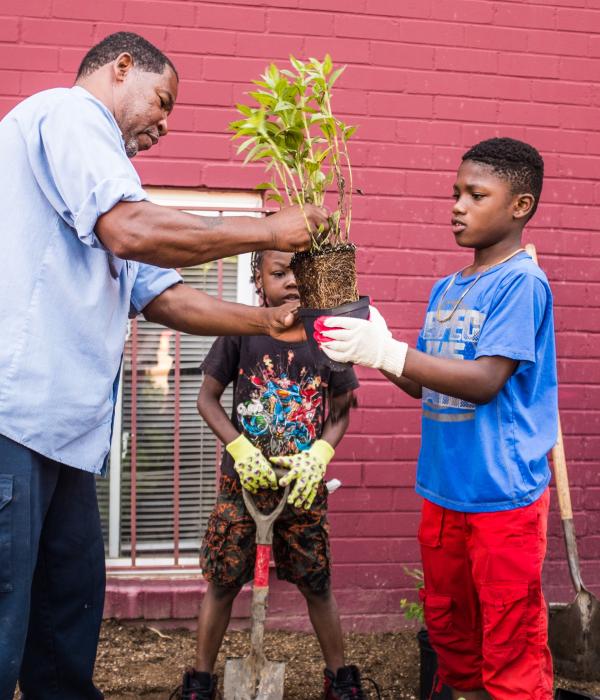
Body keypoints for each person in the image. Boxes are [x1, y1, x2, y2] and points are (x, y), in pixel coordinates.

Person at [0, 32, 329, 700]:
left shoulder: (110, 182)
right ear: (122, 69)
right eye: (162, 100)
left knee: (63, 628)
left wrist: (273, 323)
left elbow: (166, 297)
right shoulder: (69, 116)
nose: (166, 123)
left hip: (65, 437)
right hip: (13, 419)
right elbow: (133, 231)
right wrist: (269, 230)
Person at [317, 138, 557, 699]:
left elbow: (484, 381)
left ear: (519, 206)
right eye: (455, 193)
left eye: (476, 195)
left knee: (509, 642)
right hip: (445, 492)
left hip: (504, 498)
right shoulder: (447, 288)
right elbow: (424, 380)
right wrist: (374, 344)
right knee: (453, 640)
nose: (457, 205)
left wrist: (388, 352)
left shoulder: (522, 283)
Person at [178, 250, 368, 700]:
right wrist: (239, 446)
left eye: (299, 272)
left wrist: (320, 452)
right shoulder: (241, 329)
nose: (290, 281)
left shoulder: (328, 337)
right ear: (258, 279)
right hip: (241, 484)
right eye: (278, 272)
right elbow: (207, 398)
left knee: (317, 583)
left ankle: (340, 680)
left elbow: (341, 412)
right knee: (223, 581)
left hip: (301, 488)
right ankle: (200, 682)